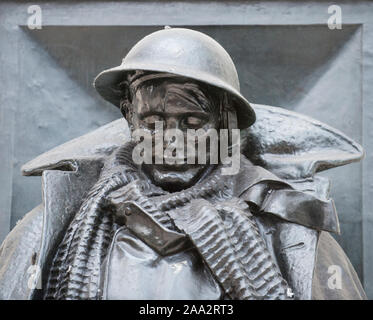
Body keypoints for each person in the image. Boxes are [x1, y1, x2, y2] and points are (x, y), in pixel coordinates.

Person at [0, 28, 366, 300]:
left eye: (191, 122)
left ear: (225, 123)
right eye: (152, 121)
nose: (170, 140)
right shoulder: (52, 228)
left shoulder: (288, 232)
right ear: (130, 117)